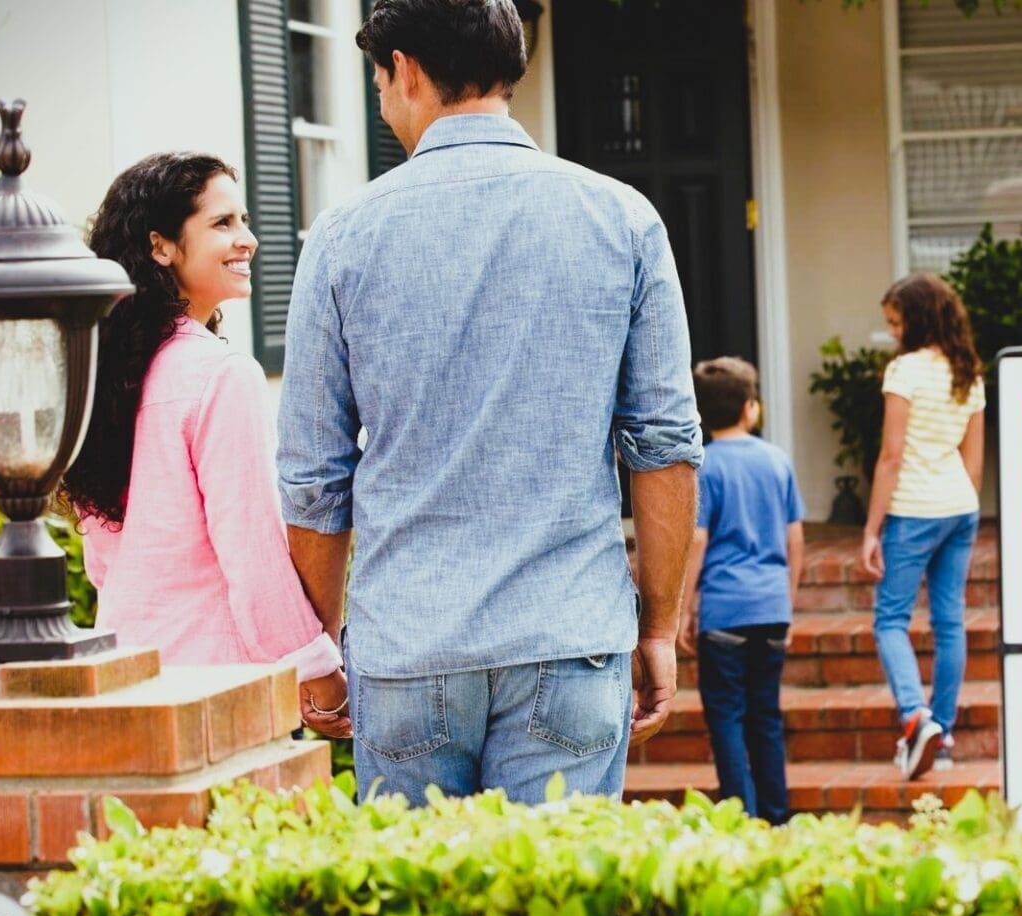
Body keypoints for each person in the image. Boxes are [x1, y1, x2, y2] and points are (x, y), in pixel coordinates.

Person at [277, 0, 701, 806]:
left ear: (402, 69)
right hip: (568, 631)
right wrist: (657, 626)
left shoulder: (341, 237)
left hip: (408, 644)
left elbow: (314, 476)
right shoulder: (623, 218)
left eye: (376, 78)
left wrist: (319, 650)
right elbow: (665, 444)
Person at [62, 152, 350, 739]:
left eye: (243, 221)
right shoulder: (220, 375)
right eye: (222, 223)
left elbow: (102, 561)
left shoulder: (102, 374)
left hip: (128, 678)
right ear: (161, 246)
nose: (247, 240)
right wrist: (318, 672)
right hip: (219, 691)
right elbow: (253, 555)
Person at [858, 272, 987, 781]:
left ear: (917, 318)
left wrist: (871, 529)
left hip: (913, 509)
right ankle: (945, 731)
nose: (891, 332)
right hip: (960, 506)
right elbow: (973, 461)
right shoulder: (968, 372)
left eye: (895, 322)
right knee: (949, 621)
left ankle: (915, 717)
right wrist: (963, 503)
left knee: (890, 620)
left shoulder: (905, 371)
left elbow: (891, 457)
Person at [678, 358, 803, 824]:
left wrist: (684, 608)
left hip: (725, 612)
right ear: (751, 408)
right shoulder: (777, 460)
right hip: (772, 606)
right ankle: (777, 816)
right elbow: (795, 538)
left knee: (727, 717)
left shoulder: (705, 467)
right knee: (765, 717)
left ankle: (740, 817)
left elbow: (697, 541)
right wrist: (787, 601)